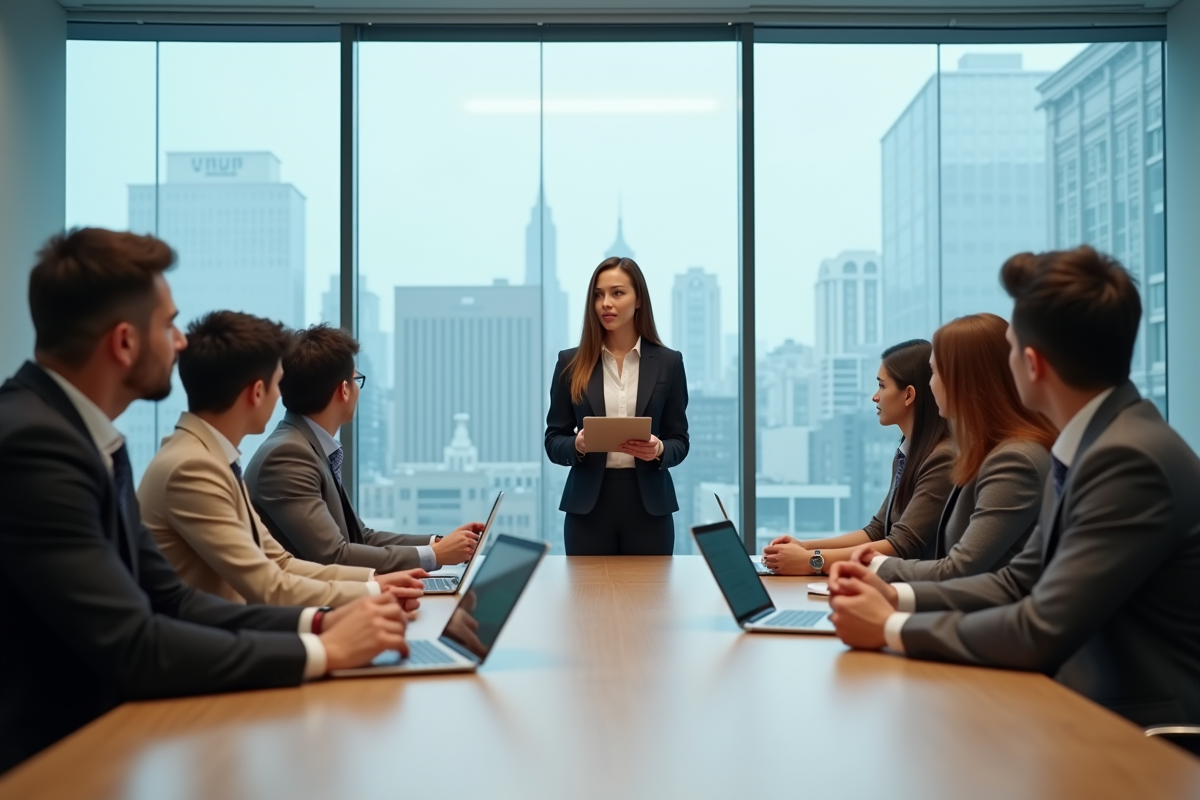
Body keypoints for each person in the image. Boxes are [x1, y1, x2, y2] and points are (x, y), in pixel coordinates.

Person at [0, 228, 407, 773]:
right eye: (168, 324)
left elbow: (172, 600)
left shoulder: (89, 439)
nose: (181, 342)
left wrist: (317, 626)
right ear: (124, 342)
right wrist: (323, 651)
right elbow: (135, 643)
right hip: (55, 756)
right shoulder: (36, 443)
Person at [828, 246, 1200, 726]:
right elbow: (1018, 581)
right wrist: (894, 596)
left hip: (1138, 730)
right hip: (1087, 705)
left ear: (1032, 363)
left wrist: (892, 627)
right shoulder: (1091, 446)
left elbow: (1042, 626)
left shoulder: (1126, 460)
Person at [138, 311, 427, 608]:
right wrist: (374, 591)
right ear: (257, 392)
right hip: (207, 644)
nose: (281, 396)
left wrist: (372, 583)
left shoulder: (209, 458)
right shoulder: (193, 468)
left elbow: (281, 563)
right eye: (277, 383)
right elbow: (270, 585)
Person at [245, 324, 482, 573]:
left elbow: (359, 537)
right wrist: (434, 555)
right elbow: (334, 556)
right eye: (356, 379)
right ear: (344, 389)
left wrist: (438, 544)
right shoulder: (287, 457)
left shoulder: (306, 446)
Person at [852, 313, 1055, 582]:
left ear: (963, 380)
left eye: (935, 373)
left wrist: (869, 565)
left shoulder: (1015, 460)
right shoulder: (984, 452)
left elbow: (959, 570)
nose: (930, 384)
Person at [762, 340, 953, 575]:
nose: (875, 397)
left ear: (909, 395)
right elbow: (877, 531)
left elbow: (900, 545)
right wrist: (805, 547)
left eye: (882, 386)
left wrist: (812, 561)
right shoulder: (908, 450)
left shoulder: (941, 458)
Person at [545, 256, 689, 555]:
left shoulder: (669, 362)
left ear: (638, 300)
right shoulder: (570, 362)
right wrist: (578, 444)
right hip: (588, 507)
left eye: (617, 293)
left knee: (650, 599)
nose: (605, 303)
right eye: (598, 295)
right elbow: (553, 440)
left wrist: (659, 449)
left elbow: (680, 441)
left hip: (650, 507)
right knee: (589, 599)